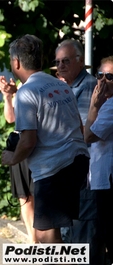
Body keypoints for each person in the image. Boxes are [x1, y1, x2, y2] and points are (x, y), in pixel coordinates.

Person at [1, 34, 89, 244]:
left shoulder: (27, 92)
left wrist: (12, 159)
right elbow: (78, 125)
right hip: (78, 162)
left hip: (54, 168)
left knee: (45, 235)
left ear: (16, 62)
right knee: (53, 232)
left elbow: (28, 141)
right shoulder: (61, 86)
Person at [55, 39, 102, 265]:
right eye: (58, 62)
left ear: (79, 61)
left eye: (66, 61)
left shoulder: (88, 87)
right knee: (68, 233)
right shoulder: (67, 88)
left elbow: (83, 132)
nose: (61, 66)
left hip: (84, 171)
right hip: (67, 171)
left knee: (82, 235)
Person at [0, 76, 36, 243]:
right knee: (24, 197)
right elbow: (10, 118)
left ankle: (42, 239)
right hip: (19, 144)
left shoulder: (38, 85)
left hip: (36, 145)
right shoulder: (20, 85)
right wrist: (7, 96)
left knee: (37, 195)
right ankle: (33, 240)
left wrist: (17, 92)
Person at [84, 55, 113, 264]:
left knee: (105, 236)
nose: (103, 81)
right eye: (100, 75)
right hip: (100, 178)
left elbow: (88, 136)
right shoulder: (107, 103)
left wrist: (93, 106)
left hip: (108, 180)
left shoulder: (110, 106)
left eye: (110, 76)